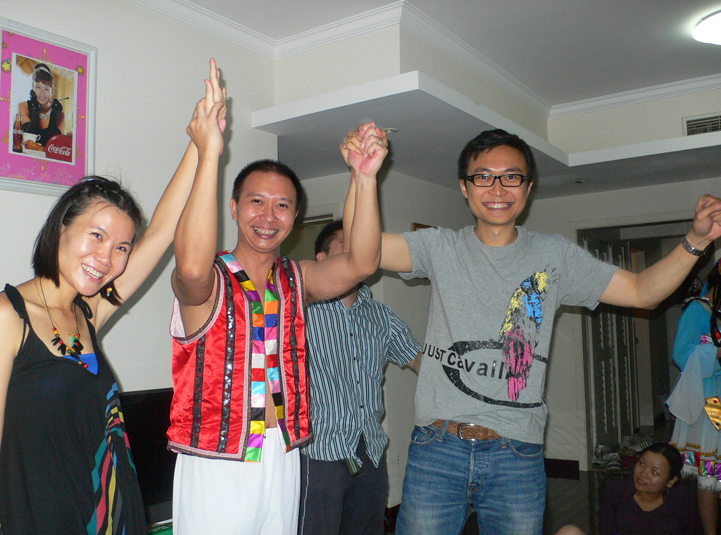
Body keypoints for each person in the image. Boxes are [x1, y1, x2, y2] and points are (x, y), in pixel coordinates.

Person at [350, 127, 721, 535]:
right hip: (438, 447)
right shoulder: (439, 247)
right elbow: (362, 254)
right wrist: (363, 177)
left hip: (516, 453)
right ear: (464, 187)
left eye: (511, 176)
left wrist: (695, 240)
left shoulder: (554, 257)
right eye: (483, 176)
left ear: (527, 188)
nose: (497, 188)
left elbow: (641, 291)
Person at [0, 59, 226, 535]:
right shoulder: (5, 317)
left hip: (111, 517)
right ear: (62, 226)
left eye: (121, 246)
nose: (107, 257)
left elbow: (161, 232)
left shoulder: (87, 313)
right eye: (97, 235)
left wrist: (201, 144)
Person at [167, 94, 386, 534]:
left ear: (295, 216)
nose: (268, 216)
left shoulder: (295, 278)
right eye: (256, 201)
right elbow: (189, 269)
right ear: (233, 208)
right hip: (218, 459)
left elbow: (362, 263)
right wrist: (209, 153)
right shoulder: (210, 281)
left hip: (283, 452)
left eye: (282, 205)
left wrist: (364, 178)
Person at [297, 220, 423, 535]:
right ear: (321, 260)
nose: (357, 255)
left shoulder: (381, 316)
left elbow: (419, 360)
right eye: (346, 248)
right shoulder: (301, 312)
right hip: (319, 454)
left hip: (370, 453)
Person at [670, 258, 721, 535]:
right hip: (710, 400)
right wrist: (716, 351)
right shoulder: (696, 311)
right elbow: (681, 354)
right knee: (709, 475)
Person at [555, 442, 700, 535]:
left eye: (654, 472)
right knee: (568, 532)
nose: (643, 474)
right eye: (642, 464)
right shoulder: (617, 492)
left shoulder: (682, 498)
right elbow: (606, 530)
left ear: (670, 481)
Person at [17, 63, 66, 146]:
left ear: (52, 92)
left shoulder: (60, 115)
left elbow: (53, 144)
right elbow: (30, 139)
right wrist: (35, 109)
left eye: (46, 89)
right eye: (38, 87)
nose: (42, 93)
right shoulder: (23, 106)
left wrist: (53, 115)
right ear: (33, 88)